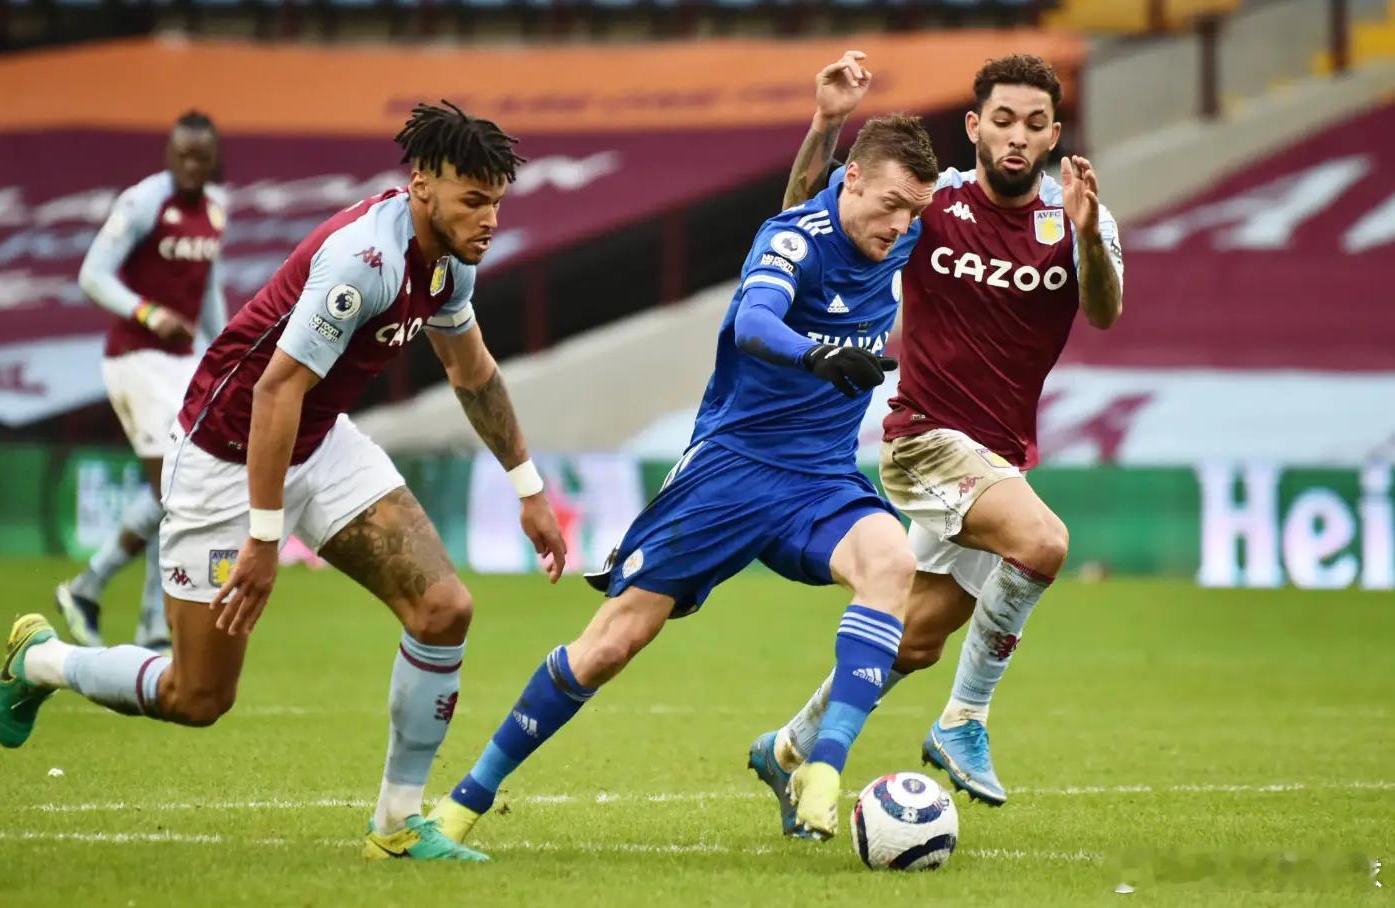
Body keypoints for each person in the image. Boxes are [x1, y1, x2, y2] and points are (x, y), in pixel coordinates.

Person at [0, 100, 567, 863]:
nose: (488, 219)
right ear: (422, 186)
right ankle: (41, 661)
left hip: (319, 441)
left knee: (443, 609)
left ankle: (397, 825)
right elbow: (274, 391)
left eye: (496, 202)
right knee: (198, 696)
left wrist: (528, 488)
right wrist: (264, 540)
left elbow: (473, 372)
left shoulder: (451, 263)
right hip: (226, 455)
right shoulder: (364, 261)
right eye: (473, 200)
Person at [428, 114, 940, 843]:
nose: (901, 224)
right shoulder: (793, 240)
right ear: (851, 179)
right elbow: (751, 324)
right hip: (729, 472)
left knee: (892, 564)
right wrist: (817, 356)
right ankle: (463, 803)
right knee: (611, 644)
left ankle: (820, 766)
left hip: (820, 479)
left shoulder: (903, 231)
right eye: (891, 204)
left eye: (914, 210)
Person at [749, 51, 1125, 833]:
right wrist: (826, 125)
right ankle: (964, 721)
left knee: (915, 639)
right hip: (924, 441)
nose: (1017, 136)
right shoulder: (933, 205)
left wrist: (1089, 236)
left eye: (1033, 123)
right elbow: (805, 217)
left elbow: (1103, 310)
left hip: (996, 461)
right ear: (974, 126)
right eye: (1002, 120)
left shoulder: (1076, 215)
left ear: (1054, 134)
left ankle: (787, 749)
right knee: (1044, 544)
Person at [55, 111, 229, 652]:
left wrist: (226, 354)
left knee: (178, 491)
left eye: (201, 157)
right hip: (137, 359)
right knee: (174, 486)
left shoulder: (215, 209)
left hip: (180, 363)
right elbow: (92, 275)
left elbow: (207, 291)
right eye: (183, 155)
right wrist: (149, 313)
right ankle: (91, 588)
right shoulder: (144, 202)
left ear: (214, 159)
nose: (191, 166)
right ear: (169, 154)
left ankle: (150, 630)